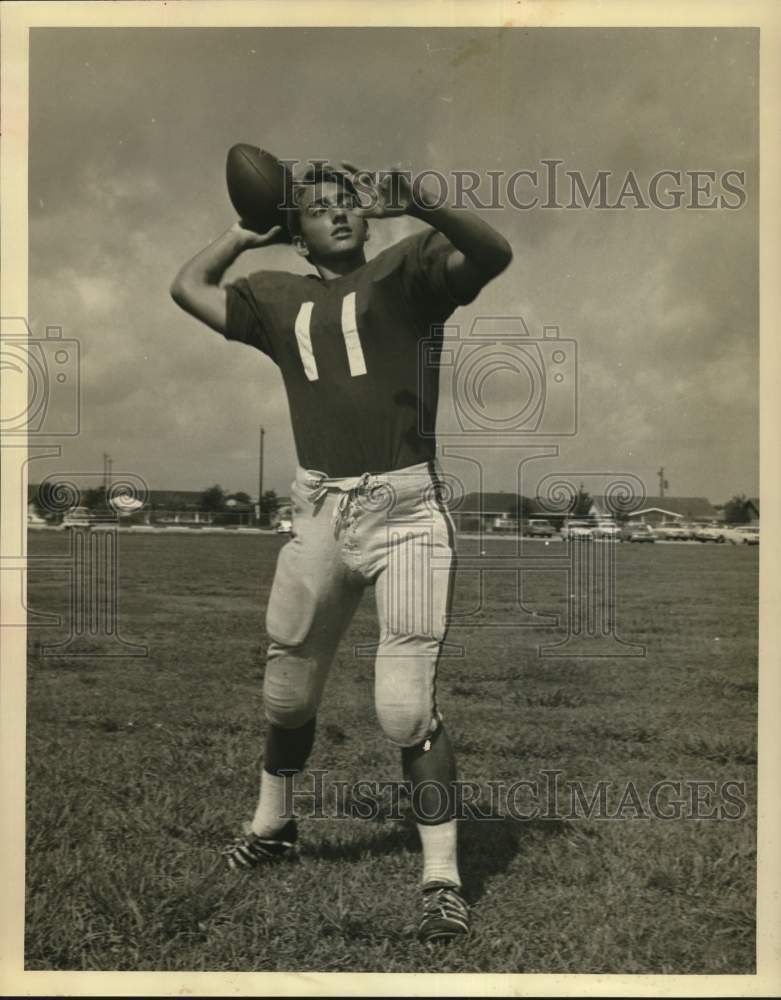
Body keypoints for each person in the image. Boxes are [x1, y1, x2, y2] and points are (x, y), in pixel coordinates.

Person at [170, 160, 512, 943]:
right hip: (318, 507)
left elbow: (492, 255)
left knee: (401, 706)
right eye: (319, 208)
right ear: (296, 231)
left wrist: (423, 201)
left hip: (404, 507)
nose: (340, 214)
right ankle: (273, 827)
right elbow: (187, 289)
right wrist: (240, 233)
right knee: (287, 692)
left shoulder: (408, 271)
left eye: (348, 202)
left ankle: (439, 880)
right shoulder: (274, 295)